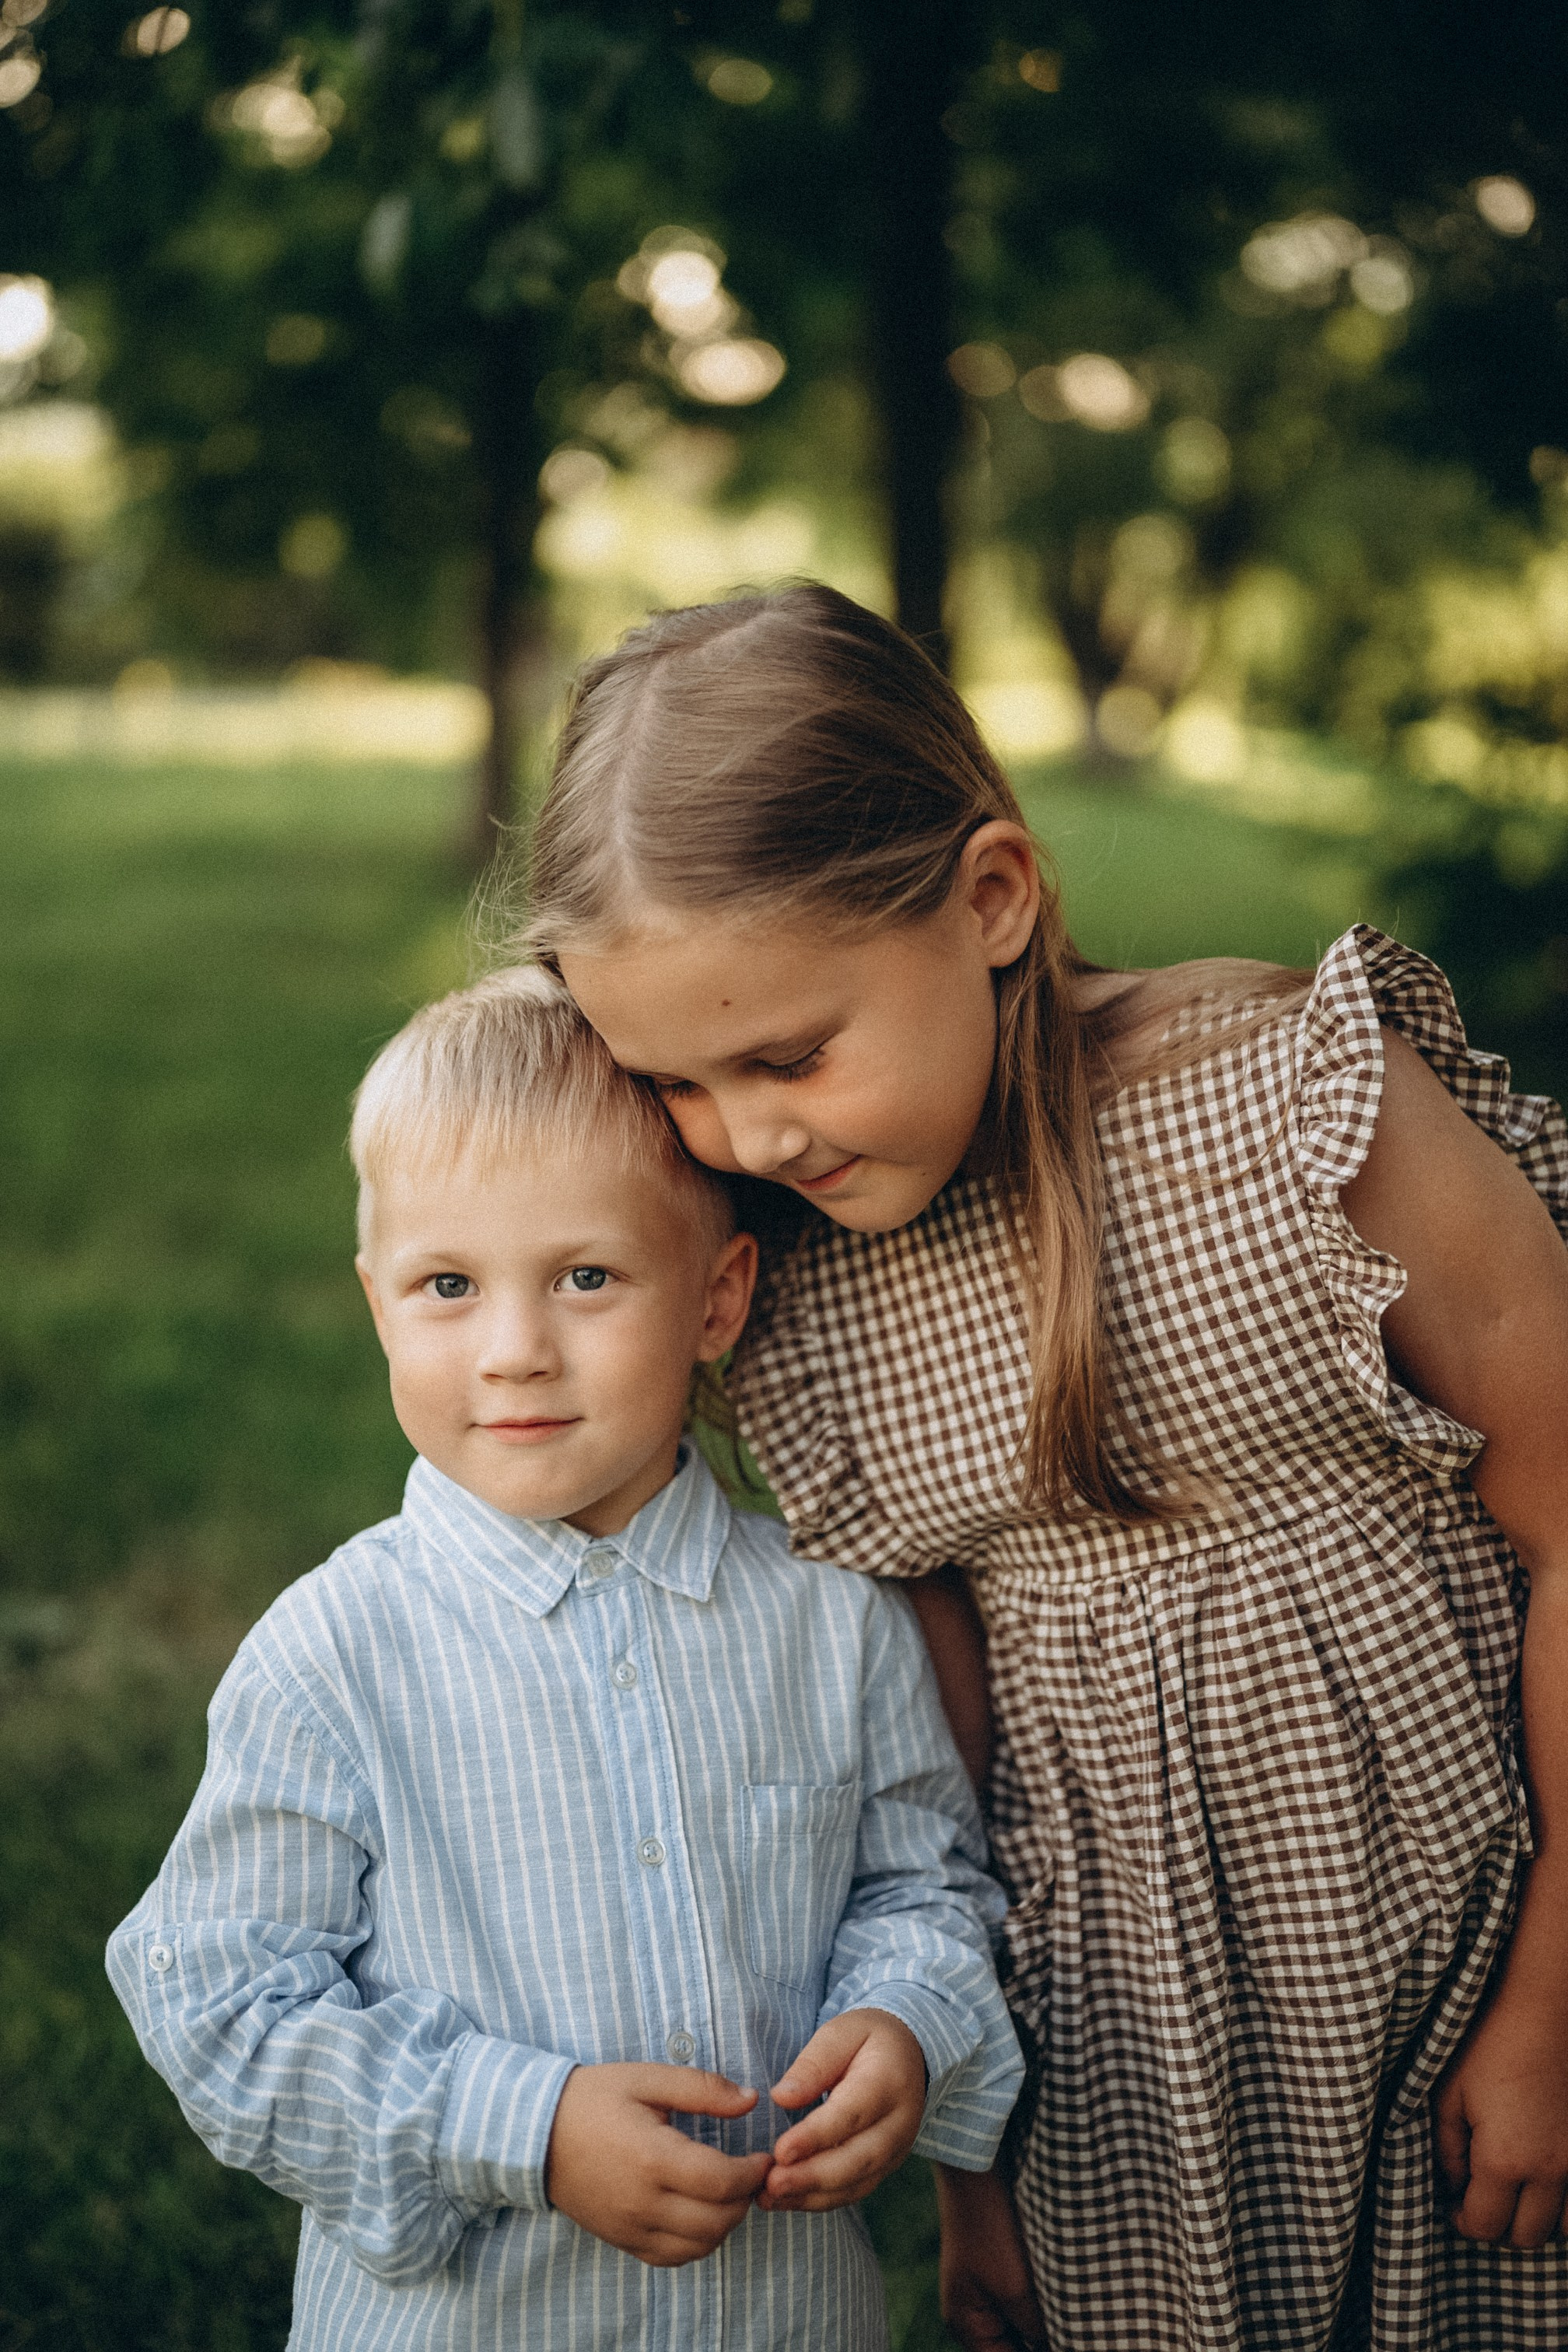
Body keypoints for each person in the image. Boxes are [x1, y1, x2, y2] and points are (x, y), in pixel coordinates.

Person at [523, 582, 1568, 2351]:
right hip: (1116, 2036)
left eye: (790, 1055)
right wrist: (973, 2165)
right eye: (677, 1085)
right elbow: (930, 1769)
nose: (750, 1135)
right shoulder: (808, 1299)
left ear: (992, 897)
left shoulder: (1299, 1114)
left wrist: (1554, 2002)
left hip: (1466, 1953)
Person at [105, 966, 1026, 2352]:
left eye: (586, 1278)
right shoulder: (335, 1655)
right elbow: (219, 1999)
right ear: (378, 1306)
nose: (516, 1351)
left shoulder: (832, 1620)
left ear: (717, 1299)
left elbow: (924, 1883)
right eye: (448, 1286)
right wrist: (522, 2127)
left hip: (778, 2316)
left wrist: (905, 2020)